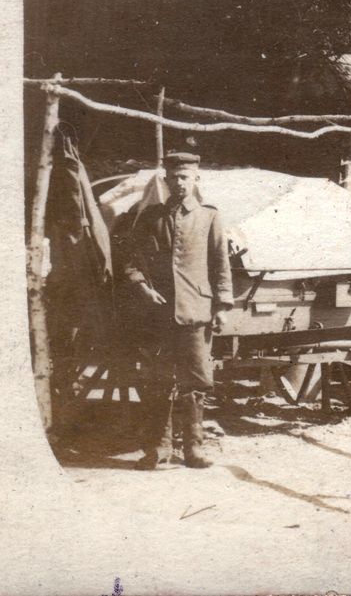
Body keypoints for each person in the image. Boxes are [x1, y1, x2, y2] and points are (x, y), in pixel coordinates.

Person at [121, 151, 234, 470]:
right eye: (174, 178)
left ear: (196, 179)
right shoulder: (150, 217)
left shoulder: (209, 217)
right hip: (157, 315)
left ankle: (193, 450)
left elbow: (220, 264)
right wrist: (143, 288)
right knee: (157, 382)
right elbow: (130, 261)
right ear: (166, 181)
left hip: (196, 312)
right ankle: (158, 449)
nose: (180, 182)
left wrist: (223, 305)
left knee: (195, 384)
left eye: (186, 177)